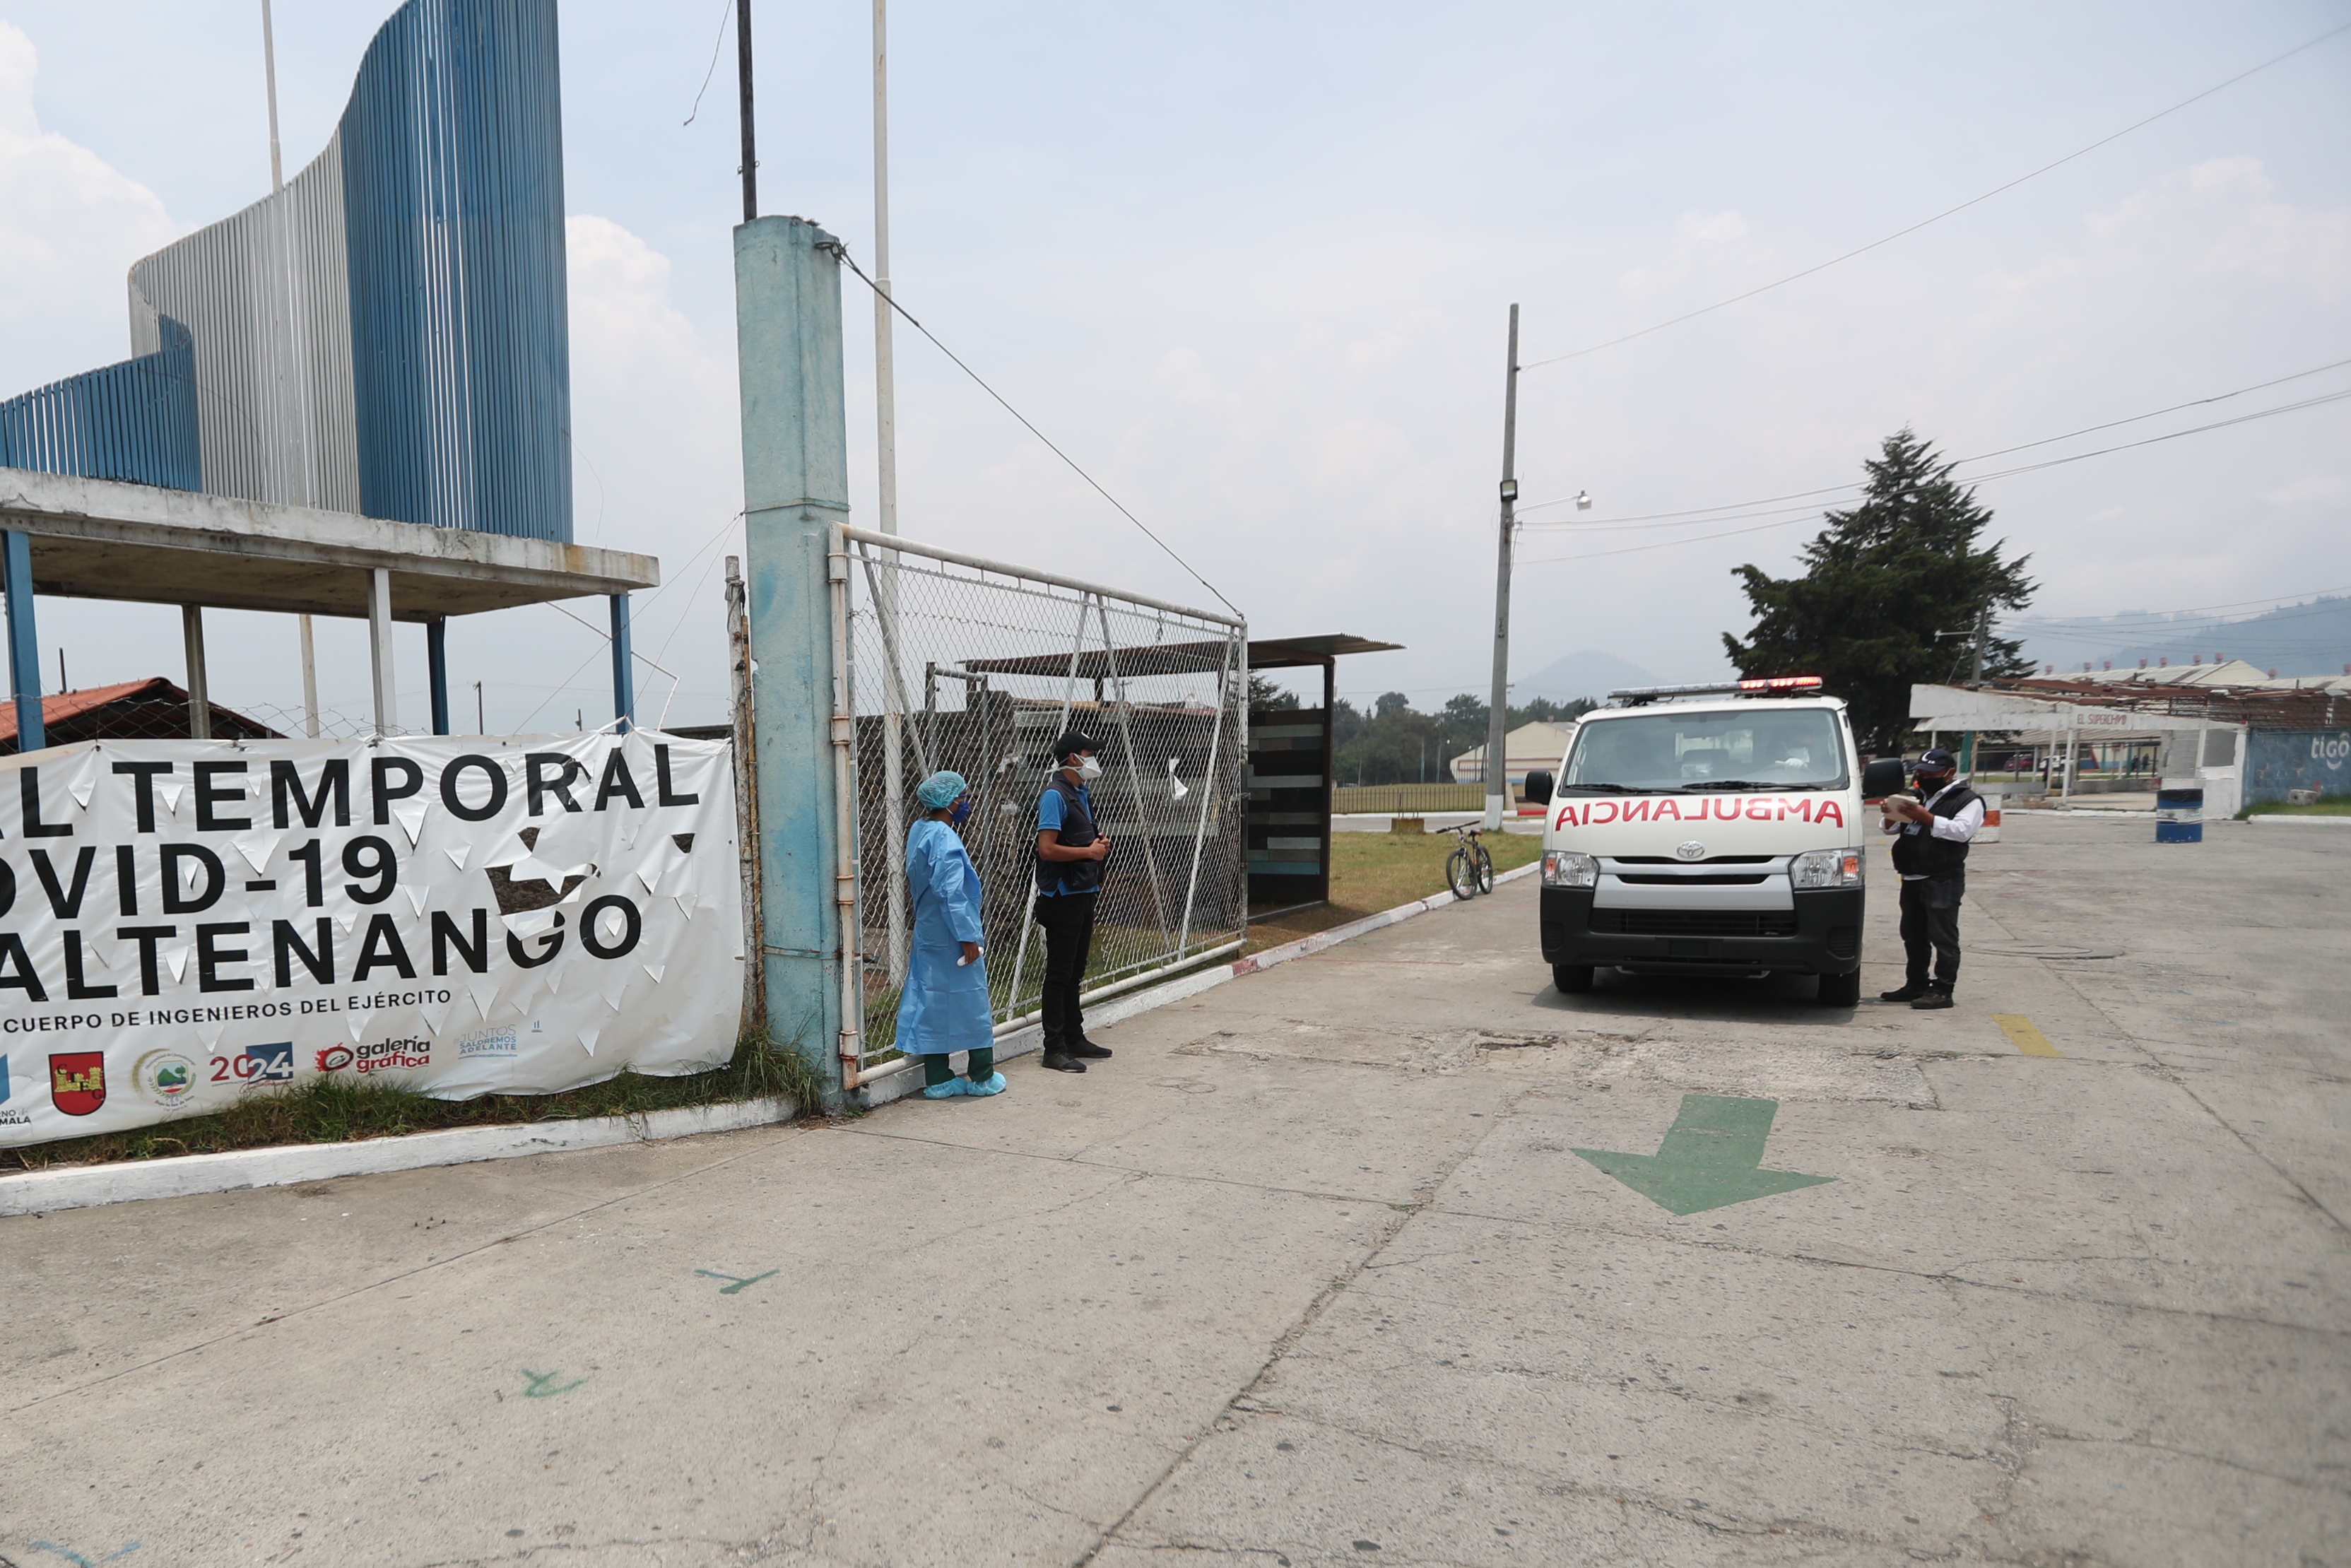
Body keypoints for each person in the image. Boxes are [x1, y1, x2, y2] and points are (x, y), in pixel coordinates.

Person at [895, 770, 1006, 1100]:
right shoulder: (944, 838)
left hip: (930, 931)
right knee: (972, 1000)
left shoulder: (920, 830)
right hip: (952, 935)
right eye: (963, 797)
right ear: (948, 802)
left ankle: (939, 1077)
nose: (966, 803)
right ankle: (983, 1074)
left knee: (932, 1000)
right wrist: (968, 937)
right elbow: (951, 892)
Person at [1878, 746, 1985, 1010]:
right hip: (1912, 876)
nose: (1924, 777)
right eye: (1920, 772)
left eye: (1930, 773)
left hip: (1941, 879)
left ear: (1949, 773)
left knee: (1943, 937)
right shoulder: (1919, 797)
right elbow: (1892, 829)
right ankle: (1916, 984)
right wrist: (1890, 815)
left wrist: (1927, 818)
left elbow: (1961, 831)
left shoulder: (1967, 800)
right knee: (1913, 935)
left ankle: (1943, 990)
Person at [1032, 730, 1114, 1073]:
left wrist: (1097, 846)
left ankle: (1074, 1036)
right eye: (1088, 753)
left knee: (1076, 970)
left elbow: (1077, 838)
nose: (1093, 758)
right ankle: (1054, 1048)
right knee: (1060, 973)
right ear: (1072, 758)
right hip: (1062, 895)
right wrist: (1088, 852)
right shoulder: (1055, 795)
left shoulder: (1080, 792)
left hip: (1082, 892)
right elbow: (1046, 848)